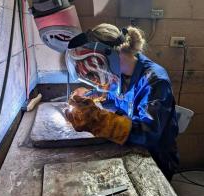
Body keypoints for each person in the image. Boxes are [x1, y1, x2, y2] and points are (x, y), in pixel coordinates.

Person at [65, 23, 179, 181]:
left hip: (156, 159)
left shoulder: (155, 81)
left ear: (108, 57)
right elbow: (116, 97)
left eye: (95, 68)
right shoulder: (120, 74)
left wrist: (97, 120)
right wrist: (92, 95)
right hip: (131, 149)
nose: (96, 75)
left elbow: (147, 133)